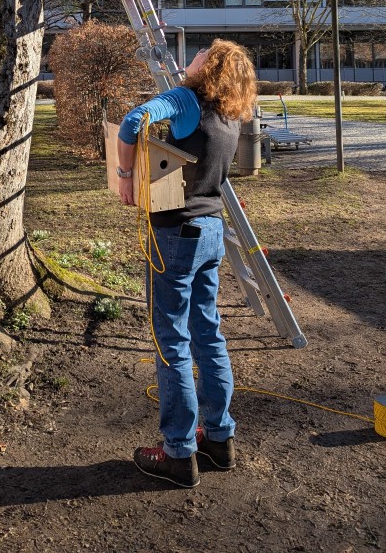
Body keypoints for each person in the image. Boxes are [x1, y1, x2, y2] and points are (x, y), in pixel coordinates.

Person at [116, 39, 258, 488]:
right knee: (208, 333)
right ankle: (219, 438)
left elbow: (132, 120)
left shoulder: (186, 99)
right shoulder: (231, 114)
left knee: (170, 340)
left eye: (198, 55)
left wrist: (124, 177)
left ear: (208, 66)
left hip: (175, 234)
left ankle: (178, 454)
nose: (189, 59)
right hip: (211, 230)